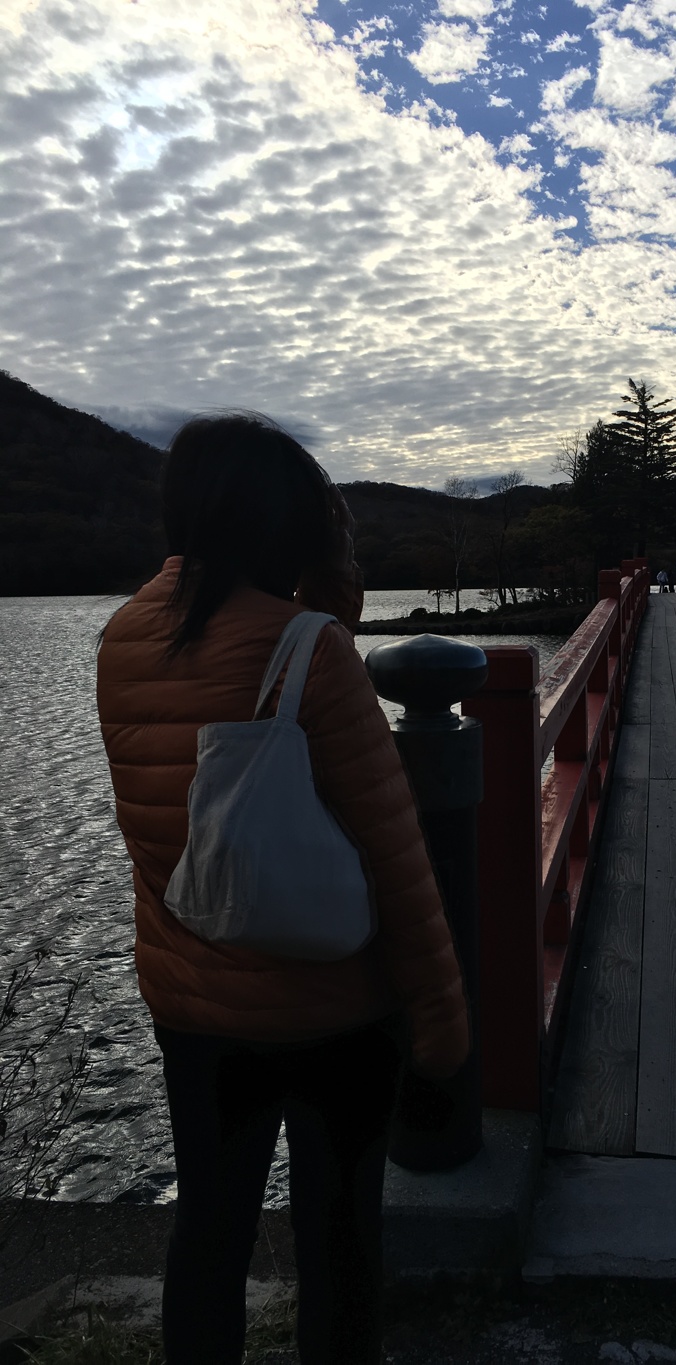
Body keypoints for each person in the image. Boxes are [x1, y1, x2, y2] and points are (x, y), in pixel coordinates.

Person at [96, 414, 469, 1365]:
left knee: (210, 1231)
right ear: (290, 524)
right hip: (332, 1009)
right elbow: (398, 861)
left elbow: (262, 678)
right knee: (340, 1242)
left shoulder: (124, 639)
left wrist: (324, 602)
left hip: (193, 1005)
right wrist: (441, 1026)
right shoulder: (310, 653)